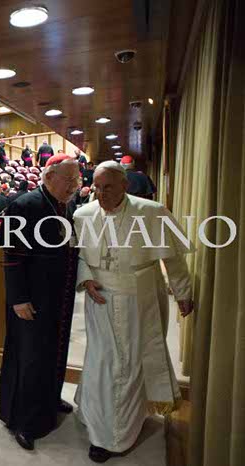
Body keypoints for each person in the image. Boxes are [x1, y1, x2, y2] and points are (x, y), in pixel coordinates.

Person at [73, 161, 193, 463]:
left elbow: (173, 259)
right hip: (99, 300)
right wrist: (85, 279)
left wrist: (183, 292)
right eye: (97, 187)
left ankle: (119, 432)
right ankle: (101, 426)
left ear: (125, 185)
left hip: (140, 299)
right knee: (102, 361)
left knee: (129, 364)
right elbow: (79, 256)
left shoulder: (151, 212)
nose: (100, 193)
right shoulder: (82, 214)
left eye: (108, 187)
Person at [0, 154, 81, 451]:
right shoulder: (24, 205)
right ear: (50, 177)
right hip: (30, 299)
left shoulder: (65, 205)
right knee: (30, 358)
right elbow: (11, 256)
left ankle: (50, 399)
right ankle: (25, 420)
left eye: (77, 179)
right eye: (69, 179)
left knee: (55, 350)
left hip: (58, 296)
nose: (74, 185)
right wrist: (18, 298)